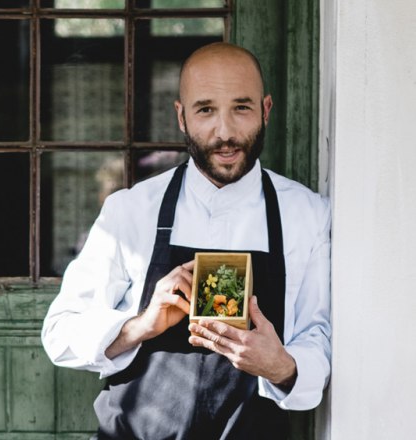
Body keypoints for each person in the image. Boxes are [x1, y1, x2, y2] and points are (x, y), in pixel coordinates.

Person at [41, 42, 330, 439]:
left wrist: (280, 365)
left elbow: (321, 336)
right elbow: (60, 333)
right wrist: (140, 325)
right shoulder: (130, 211)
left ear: (265, 109)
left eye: (241, 108)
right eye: (206, 110)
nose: (225, 132)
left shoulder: (308, 215)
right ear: (181, 116)